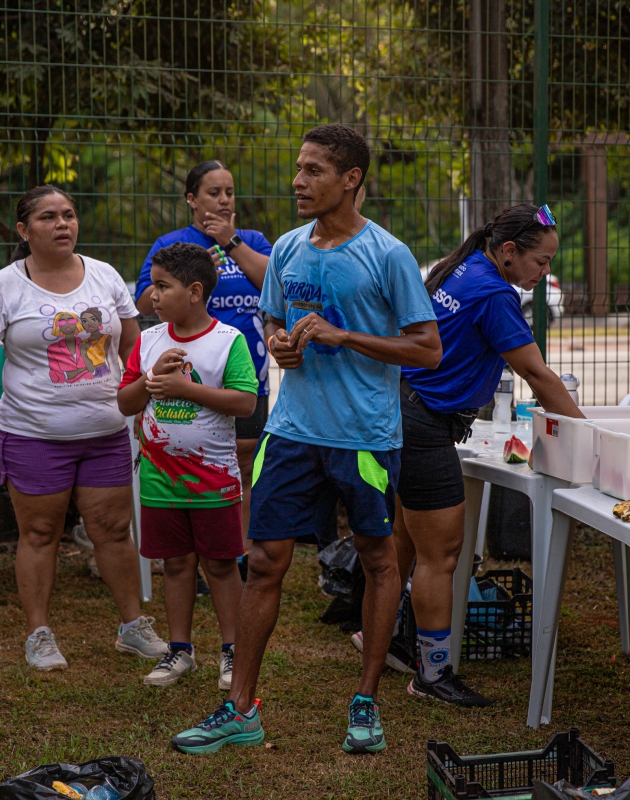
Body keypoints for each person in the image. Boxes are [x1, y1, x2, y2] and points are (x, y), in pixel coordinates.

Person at [171, 124, 441, 756]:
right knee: (265, 561)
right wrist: (277, 341)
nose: (297, 180)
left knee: (378, 560)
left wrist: (345, 338)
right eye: (298, 168)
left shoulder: (388, 255)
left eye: (313, 170)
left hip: (363, 436)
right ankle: (241, 709)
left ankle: (366, 702)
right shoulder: (289, 247)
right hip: (290, 432)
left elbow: (427, 349)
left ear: (351, 179)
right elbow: (272, 313)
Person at [363, 203, 583, 707]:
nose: (545, 272)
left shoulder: (463, 267)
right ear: (509, 251)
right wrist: (589, 435)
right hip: (423, 425)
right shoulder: (494, 293)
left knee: (405, 539)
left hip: (400, 410)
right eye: (542, 261)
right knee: (441, 555)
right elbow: (538, 375)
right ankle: (433, 673)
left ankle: (387, 638)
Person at [0, 184, 168, 671]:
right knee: (40, 532)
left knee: (113, 529)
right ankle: (39, 635)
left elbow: (132, 347)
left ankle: (133, 627)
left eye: (68, 214)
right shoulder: (2, 287)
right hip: (33, 435)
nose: (62, 223)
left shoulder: (105, 275)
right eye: (48, 217)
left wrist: (144, 404)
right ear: (24, 230)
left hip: (106, 432)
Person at [118, 242, 257, 689]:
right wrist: (151, 378)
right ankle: (180, 650)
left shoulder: (227, 341)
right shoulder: (148, 341)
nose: (152, 296)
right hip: (160, 481)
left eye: (163, 286)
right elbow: (125, 403)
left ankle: (233, 651)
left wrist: (185, 388)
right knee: (176, 565)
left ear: (195, 292)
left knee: (220, 566)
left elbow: (245, 402)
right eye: (152, 286)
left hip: (214, 481)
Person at [135, 161, 273, 545]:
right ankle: (189, 550)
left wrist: (233, 242)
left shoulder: (253, 240)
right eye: (214, 193)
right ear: (192, 199)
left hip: (247, 373)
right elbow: (144, 303)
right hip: (188, 372)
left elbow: (275, 285)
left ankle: (238, 551)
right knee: (188, 458)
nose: (225, 200)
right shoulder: (173, 244)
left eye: (229, 192)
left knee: (244, 460)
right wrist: (189, 270)